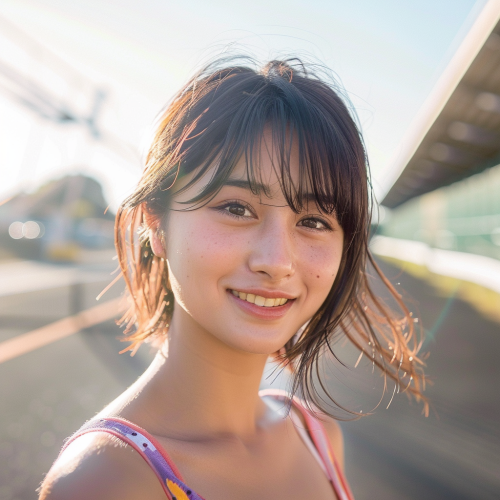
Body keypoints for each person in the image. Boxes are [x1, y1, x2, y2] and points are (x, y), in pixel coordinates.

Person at [39, 57, 426, 500]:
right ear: (157, 224)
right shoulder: (105, 482)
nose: (277, 261)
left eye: (315, 221)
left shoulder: (316, 434)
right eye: (236, 208)